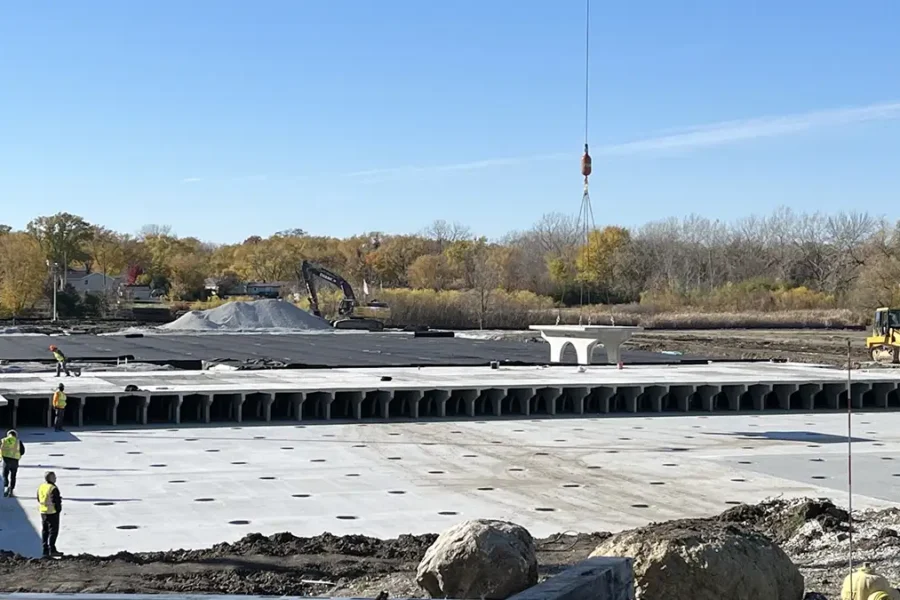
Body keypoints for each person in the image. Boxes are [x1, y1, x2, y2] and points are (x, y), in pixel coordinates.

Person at [37, 470, 63, 558]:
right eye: (54, 477)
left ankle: (45, 550)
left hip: (43, 511)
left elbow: (38, 497)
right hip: (52, 512)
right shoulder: (53, 488)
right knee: (53, 531)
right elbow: (56, 500)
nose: (56, 478)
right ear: (51, 478)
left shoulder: (41, 486)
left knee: (45, 531)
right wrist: (58, 509)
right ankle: (52, 549)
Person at [1, 430, 24, 497]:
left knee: (5, 475)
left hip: (6, 461)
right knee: (13, 476)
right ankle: (11, 490)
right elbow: (22, 451)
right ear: (15, 435)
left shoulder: (4, 440)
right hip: (15, 461)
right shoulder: (18, 441)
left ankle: (5, 487)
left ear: (8, 434)